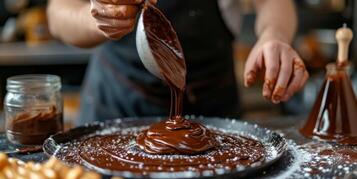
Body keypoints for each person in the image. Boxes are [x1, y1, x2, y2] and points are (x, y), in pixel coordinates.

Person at [47, 0, 309, 124]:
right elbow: (58, 14)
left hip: (213, 107)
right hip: (118, 103)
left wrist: (273, 33)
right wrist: (97, 19)